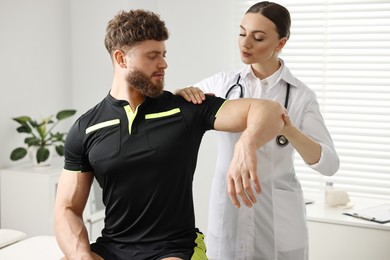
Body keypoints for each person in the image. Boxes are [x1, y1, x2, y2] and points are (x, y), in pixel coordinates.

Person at [54, 9, 286, 260]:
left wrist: (246, 144)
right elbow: (67, 208)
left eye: (163, 54)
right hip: (113, 247)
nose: (163, 64)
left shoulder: (185, 108)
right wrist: (80, 255)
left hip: (174, 248)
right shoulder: (86, 127)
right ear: (121, 59)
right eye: (152, 56)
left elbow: (271, 111)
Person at [176, 2, 340, 260]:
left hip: (277, 220)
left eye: (258, 37)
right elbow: (172, 108)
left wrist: (289, 129)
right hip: (229, 213)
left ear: (281, 43)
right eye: (242, 33)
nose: (246, 43)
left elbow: (329, 164)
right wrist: (179, 93)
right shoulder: (222, 85)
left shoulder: (301, 96)